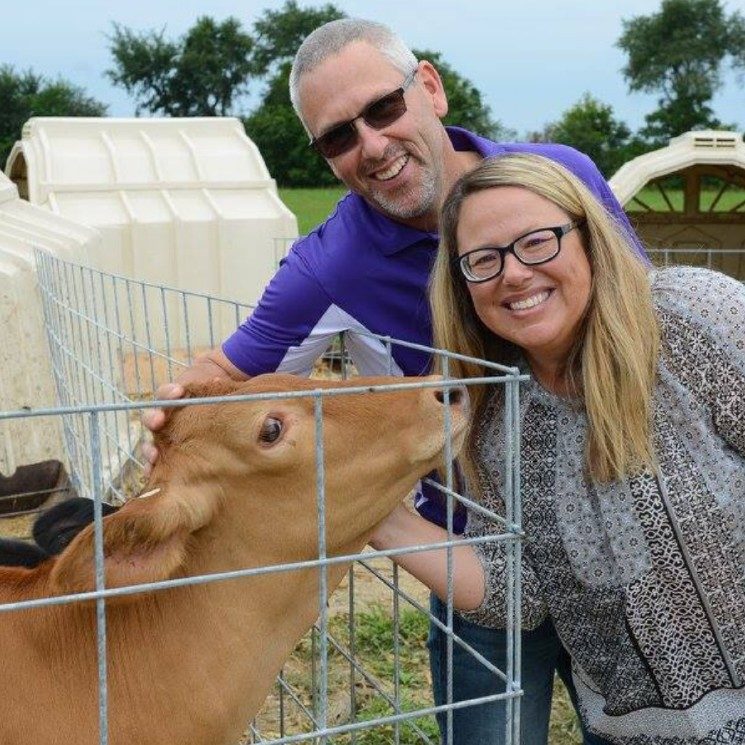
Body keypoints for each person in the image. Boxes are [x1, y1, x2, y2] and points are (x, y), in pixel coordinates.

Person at [142, 18, 646, 745]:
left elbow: (641, 313)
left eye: (382, 109)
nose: (371, 146)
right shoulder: (328, 266)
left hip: (613, 528)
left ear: (430, 89)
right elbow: (227, 372)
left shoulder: (561, 178)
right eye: (338, 137)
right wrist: (178, 411)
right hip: (475, 552)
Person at [370, 152, 745, 743]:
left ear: (589, 239)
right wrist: (376, 517)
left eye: (537, 242)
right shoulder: (494, 416)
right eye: (483, 260)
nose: (513, 274)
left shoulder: (691, 317)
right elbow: (518, 595)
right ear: (462, 285)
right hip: (632, 733)